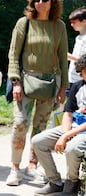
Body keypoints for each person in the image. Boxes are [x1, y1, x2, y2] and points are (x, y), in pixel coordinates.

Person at [6, 0, 68, 186]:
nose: (40, 2)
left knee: (41, 129)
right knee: (19, 124)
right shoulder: (24, 23)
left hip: (50, 83)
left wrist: (63, 87)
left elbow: (62, 59)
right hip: (25, 81)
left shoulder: (59, 26)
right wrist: (15, 81)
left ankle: (33, 165)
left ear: (53, 1)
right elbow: (13, 54)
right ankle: (15, 168)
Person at [32, 53, 86, 195]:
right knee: (38, 141)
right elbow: (68, 113)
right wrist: (64, 134)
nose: (84, 76)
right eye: (83, 73)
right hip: (74, 127)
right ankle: (55, 182)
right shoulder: (78, 86)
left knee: (72, 148)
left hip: (83, 130)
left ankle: (72, 183)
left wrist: (68, 135)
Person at [67, 7, 86, 92]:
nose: (71, 25)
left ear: (84, 21)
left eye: (74, 22)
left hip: (81, 79)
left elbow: (84, 61)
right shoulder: (78, 38)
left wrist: (69, 56)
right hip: (72, 78)